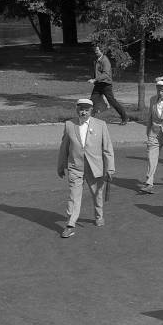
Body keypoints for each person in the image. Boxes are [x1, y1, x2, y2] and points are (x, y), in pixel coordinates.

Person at [56, 99, 115, 238]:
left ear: (91, 111)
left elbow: (107, 148)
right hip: (75, 167)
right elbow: (64, 147)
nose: (83, 112)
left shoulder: (101, 125)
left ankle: (99, 215)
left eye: (87, 110)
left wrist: (110, 168)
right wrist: (60, 166)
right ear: (77, 110)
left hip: (95, 167)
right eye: (81, 109)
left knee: (97, 194)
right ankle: (70, 224)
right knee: (73, 196)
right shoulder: (69, 124)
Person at [88, 45, 128, 125]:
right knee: (92, 101)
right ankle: (89, 120)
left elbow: (106, 74)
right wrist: (94, 79)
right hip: (98, 85)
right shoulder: (97, 60)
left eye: (97, 50)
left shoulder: (105, 60)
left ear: (102, 51)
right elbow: (96, 72)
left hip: (106, 85)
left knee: (112, 101)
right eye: (95, 50)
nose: (95, 52)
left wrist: (95, 79)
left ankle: (124, 117)